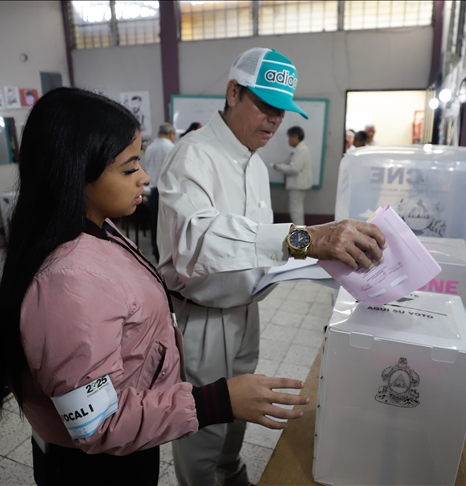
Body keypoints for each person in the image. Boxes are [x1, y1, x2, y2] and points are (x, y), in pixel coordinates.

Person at [0, 88, 309, 485]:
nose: (146, 176)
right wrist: (216, 402)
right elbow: (98, 426)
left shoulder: (99, 229)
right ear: (75, 172)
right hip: (97, 466)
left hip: (131, 439)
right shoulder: (68, 279)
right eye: (128, 167)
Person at [157, 47, 386, 486]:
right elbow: (197, 244)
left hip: (247, 311)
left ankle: (231, 472)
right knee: (204, 428)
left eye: (281, 110)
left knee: (240, 414)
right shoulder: (193, 158)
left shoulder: (256, 165)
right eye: (265, 105)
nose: (275, 120)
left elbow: (256, 248)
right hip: (203, 319)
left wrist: (325, 266)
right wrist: (305, 238)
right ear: (232, 92)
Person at [140, 123, 176, 262]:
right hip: (167, 192)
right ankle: (168, 258)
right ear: (171, 133)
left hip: (154, 192)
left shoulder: (150, 148)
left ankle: (157, 254)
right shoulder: (171, 148)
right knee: (168, 228)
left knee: (156, 226)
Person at [271, 126, 313, 225]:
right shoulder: (299, 149)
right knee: (296, 211)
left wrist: (278, 166)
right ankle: (301, 233)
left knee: (295, 212)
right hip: (298, 184)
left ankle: (300, 235)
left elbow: (294, 168)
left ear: (296, 137)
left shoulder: (302, 150)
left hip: (298, 185)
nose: (288, 141)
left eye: (289, 138)